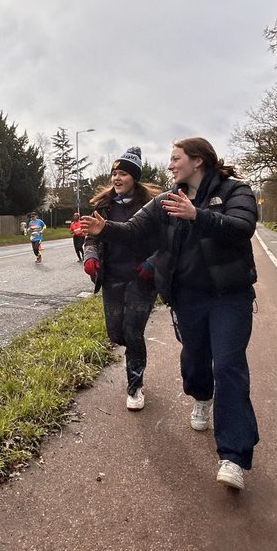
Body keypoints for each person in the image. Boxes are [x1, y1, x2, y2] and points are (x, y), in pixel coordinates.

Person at [83, 137, 259, 491]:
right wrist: (105, 230)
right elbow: (133, 229)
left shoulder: (235, 190)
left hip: (230, 296)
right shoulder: (165, 200)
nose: (170, 165)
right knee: (195, 362)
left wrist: (199, 216)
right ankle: (201, 397)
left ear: (197, 161)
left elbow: (243, 228)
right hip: (188, 297)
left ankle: (234, 456)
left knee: (228, 367)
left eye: (176, 159)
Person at [82, 147, 162, 410]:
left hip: (142, 279)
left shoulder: (151, 206)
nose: (117, 178)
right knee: (116, 334)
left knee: (132, 330)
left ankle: (135, 386)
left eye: (123, 174)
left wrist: (153, 262)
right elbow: (91, 237)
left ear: (134, 178)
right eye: (114, 173)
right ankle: (135, 351)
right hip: (113, 277)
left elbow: (168, 241)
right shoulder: (103, 206)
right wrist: (90, 257)